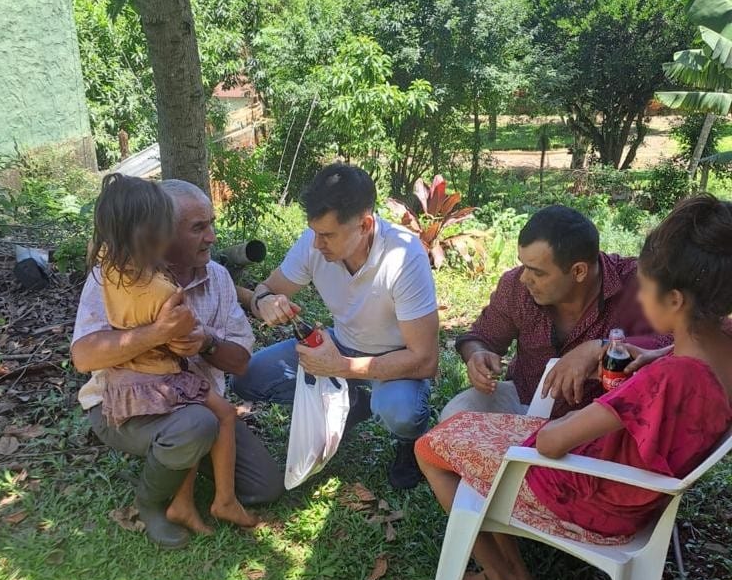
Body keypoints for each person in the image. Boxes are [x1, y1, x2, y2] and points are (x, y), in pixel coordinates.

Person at [416, 194, 732, 580]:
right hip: (632, 482)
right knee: (472, 431)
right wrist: (654, 353)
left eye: (648, 288)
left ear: (675, 299)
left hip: (594, 492)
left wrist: (565, 414)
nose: (525, 278)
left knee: (432, 450)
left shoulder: (665, 378)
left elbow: (549, 442)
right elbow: (479, 336)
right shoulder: (711, 352)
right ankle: (506, 571)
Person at [71, 178, 284, 550]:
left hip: (191, 399)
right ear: (161, 233)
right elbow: (84, 356)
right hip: (126, 407)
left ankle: (187, 468)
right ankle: (151, 504)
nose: (213, 237)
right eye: (198, 228)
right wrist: (156, 333)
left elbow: (240, 362)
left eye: (212, 224)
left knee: (265, 485)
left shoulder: (218, 278)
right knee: (197, 424)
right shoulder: (112, 278)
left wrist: (206, 342)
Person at [233, 164, 439, 489]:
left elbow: (425, 360)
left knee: (400, 412)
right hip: (340, 344)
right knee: (249, 379)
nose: (316, 244)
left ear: (365, 224)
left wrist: (340, 367)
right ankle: (351, 403)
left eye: (327, 235)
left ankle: (408, 443)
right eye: (315, 232)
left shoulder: (404, 256)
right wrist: (265, 303)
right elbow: (266, 289)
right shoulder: (313, 242)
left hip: (396, 359)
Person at [442, 205, 670, 422]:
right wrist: (477, 355)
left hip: (603, 415)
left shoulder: (636, 283)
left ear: (579, 271)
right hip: (523, 399)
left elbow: (680, 345)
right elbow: (480, 337)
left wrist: (600, 349)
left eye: (537, 272)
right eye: (523, 265)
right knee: (454, 416)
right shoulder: (516, 286)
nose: (524, 278)